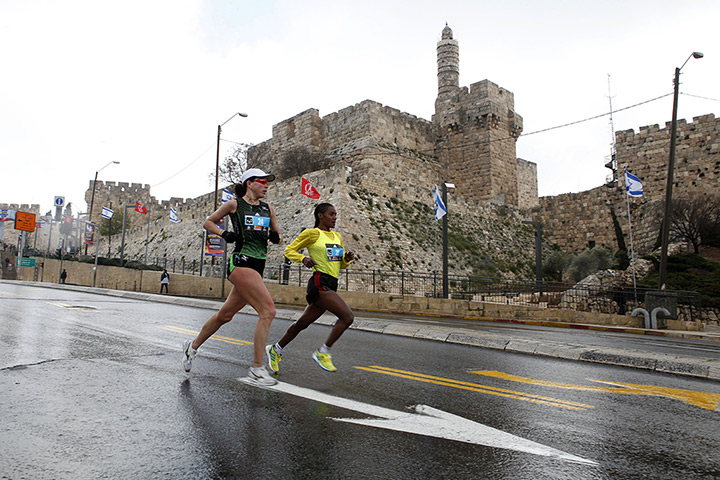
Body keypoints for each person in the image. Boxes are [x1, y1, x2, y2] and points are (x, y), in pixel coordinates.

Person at [182, 168, 282, 386]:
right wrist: (224, 233)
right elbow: (208, 222)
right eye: (262, 182)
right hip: (240, 261)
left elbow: (278, 236)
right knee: (268, 311)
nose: (266, 186)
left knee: (225, 315)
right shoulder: (235, 205)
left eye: (268, 183)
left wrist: (275, 237)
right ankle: (256, 368)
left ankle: (192, 347)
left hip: (258, 264)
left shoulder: (268, 209)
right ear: (249, 183)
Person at [266, 202, 355, 375]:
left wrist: (347, 258)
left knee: (302, 324)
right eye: (331, 214)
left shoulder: (337, 237)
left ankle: (275, 349)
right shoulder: (312, 234)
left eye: (336, 214)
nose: (335, 217)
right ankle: (323, 352)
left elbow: (341, 265)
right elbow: (289, 250)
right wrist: (303, 259)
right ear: (320, 215)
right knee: (347, 317)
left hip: (332, 283)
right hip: (319, 282)